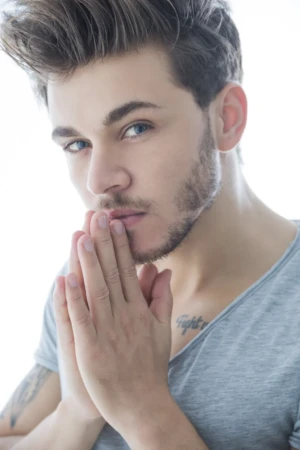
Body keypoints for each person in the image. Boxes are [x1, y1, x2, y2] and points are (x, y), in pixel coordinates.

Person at [0, 0, 299, 449]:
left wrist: (141, 407)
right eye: (78, 143)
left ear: (226, 118)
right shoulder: (93, 279)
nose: (100, 180)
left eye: (136, 128)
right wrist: (78, 411)